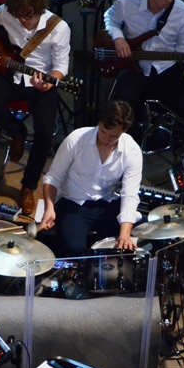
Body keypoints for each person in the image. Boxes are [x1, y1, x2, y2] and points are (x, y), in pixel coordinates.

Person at [0, 0, 71, 214]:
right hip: (11, 74)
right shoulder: (7, 12)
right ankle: (17, 130)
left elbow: (61, 67)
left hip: (42, 82)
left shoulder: (59, 28)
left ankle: (28, 186)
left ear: (39, 10)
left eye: (28, 17)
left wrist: (49, 81)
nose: (22, 21)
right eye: (18, 16)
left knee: (45, 132)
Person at [104, 0, 184, 142]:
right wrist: (118, 38)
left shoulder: (183, 11)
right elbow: (110, 18)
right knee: (122, 109)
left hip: (167, 69)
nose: (169, 0)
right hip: (134, 66)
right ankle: (129, 148)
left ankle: (183, 155)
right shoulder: (127, 1)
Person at [39, 101, 143, 258]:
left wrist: (124, 234)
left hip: (107, 203)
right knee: (74, 249)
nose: (106, 139)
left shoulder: (132, 151)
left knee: (145, 231)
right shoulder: (76, 139)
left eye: (113, 136)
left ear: (125, 130)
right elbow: (53, 178)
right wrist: (49, 208)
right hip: (73, 203)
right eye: (103, 132)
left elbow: (130, 194)